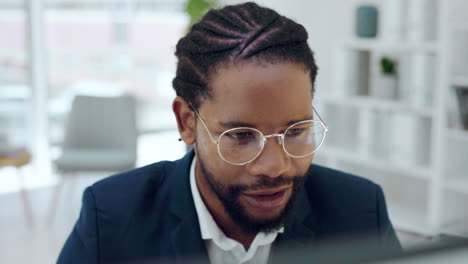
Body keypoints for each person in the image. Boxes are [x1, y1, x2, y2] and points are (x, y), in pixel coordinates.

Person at [57, 2, 401, 264]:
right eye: (240, 135)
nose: (274, 167)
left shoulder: (360, 212)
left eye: (295, 130)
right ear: (187, 123)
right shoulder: (112, 216)